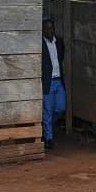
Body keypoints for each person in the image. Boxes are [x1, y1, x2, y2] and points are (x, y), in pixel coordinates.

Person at [41, 19, 66, 150]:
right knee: (47, 111)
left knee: (60, 108)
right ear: (42, 30)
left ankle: (46, 127)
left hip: (59, 80)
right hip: (48, 82)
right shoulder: (40, 44)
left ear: (54, 29)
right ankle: (48, 138)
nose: (49, 31)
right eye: (46, 28)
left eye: (51, 28)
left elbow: (61, 58)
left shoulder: (59, 42)